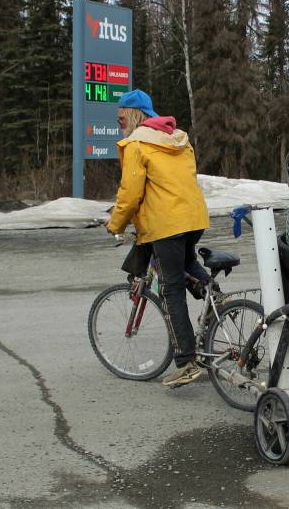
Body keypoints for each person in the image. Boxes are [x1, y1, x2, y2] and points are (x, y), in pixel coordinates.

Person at [104, 89, 211, 388]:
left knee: (171, 288)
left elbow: (130, 193)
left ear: (133, 114)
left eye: (120, 117)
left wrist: (116, 224)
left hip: (166, 225)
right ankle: (217, 308)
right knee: (188, 269)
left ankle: (187, 362)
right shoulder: (179, 139)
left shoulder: (137, 144)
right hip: (193, 219)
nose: (118, 123)